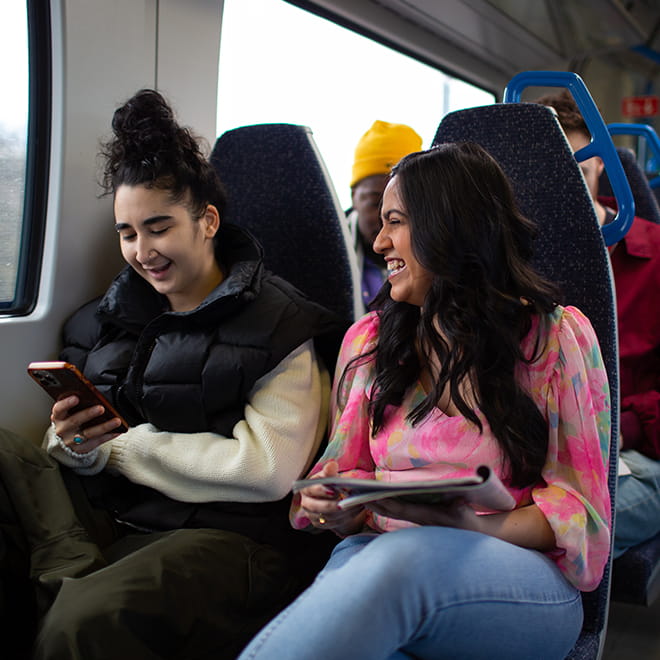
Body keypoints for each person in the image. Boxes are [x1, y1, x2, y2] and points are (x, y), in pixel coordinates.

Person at [0, 89, 343, 660]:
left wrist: (120, 450)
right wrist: (76, 443)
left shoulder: (280, 324)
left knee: (83, 623)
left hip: (230, 540)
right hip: (114, 514)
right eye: (127, 233)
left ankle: (69, 589)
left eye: (158, 228)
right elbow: (69, 447)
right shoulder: (103, 318)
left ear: (207, 221)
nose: (141, 251)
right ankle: (68, 577)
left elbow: (266, 470)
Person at [238, 142, 612, 660]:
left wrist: (463, 524)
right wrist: (335, 509)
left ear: (450, 225)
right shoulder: (369, 343)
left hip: (517, 576)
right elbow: (338, 479)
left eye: (396, 222)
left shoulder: (554, 338)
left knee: (400, 566)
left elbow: (584, 518)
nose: (379, 242)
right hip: (378, 557)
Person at [534, 90, 660, 558]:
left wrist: (626, 422)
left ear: (601, 166)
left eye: (579, 174)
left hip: (635, 454)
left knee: (549, 535)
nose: (568, 195)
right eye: (555, 178)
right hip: (539, 454)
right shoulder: (510, 258)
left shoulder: (655, 256)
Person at [346, 120, 422, 309]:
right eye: (374, 204)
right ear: (354, 197)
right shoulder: (329, 252)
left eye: (398, 213)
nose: (384, 232)